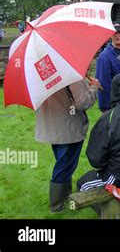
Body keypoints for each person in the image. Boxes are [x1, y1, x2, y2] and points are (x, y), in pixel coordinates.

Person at [35, 77, 100, 212]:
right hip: (68, 128)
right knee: (64, 166)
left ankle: (66, 196)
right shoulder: (71, 74)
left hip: (54, 126)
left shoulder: (42, 72)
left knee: (64, 164)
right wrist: (94, 87)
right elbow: (82, 102)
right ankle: (57, 206)